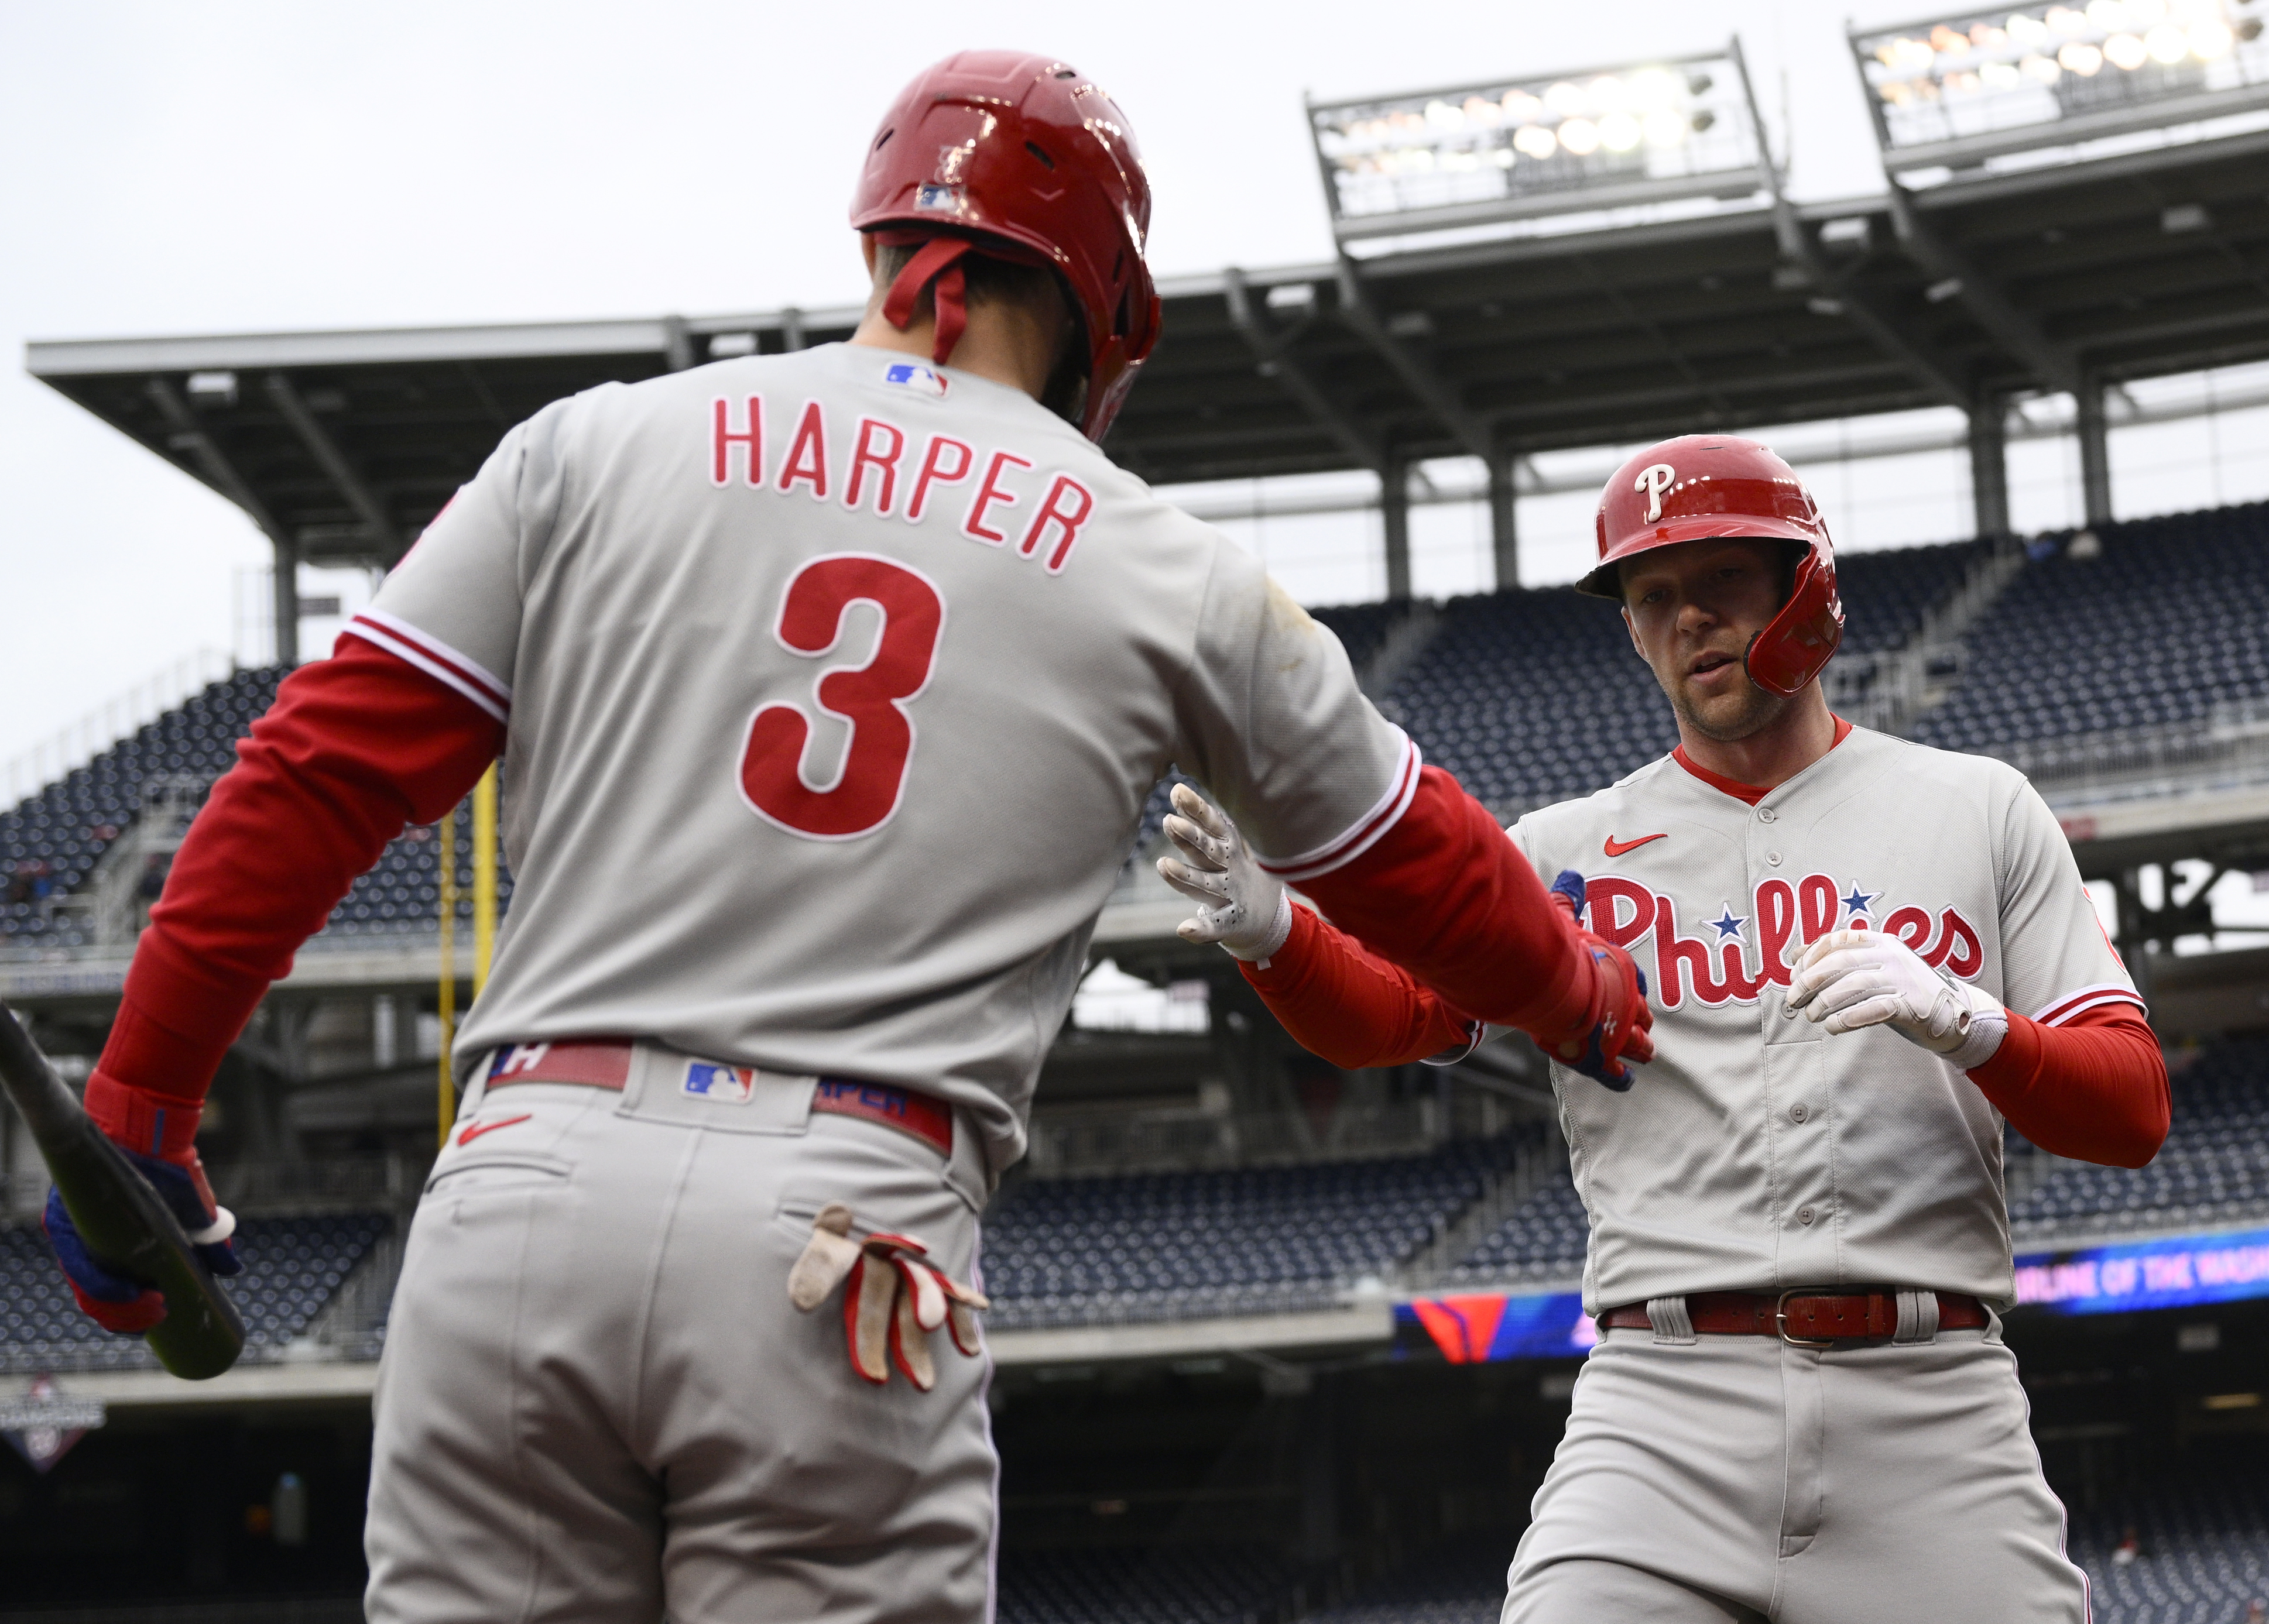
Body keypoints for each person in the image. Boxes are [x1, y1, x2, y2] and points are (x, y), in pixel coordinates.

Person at [39, 51, 1648, 1624]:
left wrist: (146, 1103)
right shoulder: (1168, 567)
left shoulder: (596, 442)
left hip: (520, 1195)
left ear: (881, 244)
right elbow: (1417, 867)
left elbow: (316, 771)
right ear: (1104, 308)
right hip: (843, 1228)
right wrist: (1577, 998)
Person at [1159, 434, 2172, 1623]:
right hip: (1662, 1403)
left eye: (1722, 583)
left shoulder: (1977, 807)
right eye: (1652, 597)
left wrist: (1972, 1022)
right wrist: (1277, 933)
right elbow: (1402, 1019)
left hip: (1932, 1397)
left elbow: (2134, 1108)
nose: (1687, 620)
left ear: (1809, 586)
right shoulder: (1560, 849)